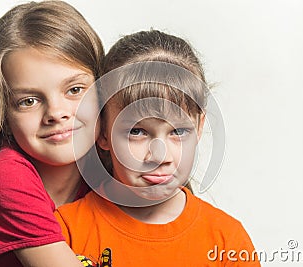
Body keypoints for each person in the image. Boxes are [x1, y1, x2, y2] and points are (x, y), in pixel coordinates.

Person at [55, 30, 260, 266]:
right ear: (102, 132)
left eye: (178, 131)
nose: (160, 156)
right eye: (137, 131)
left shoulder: (226, 240)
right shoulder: (65, 231)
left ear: (199, 127)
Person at [0, 1, 104, 266]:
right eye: (29, 101)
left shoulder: (113, 176)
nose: (56, 112)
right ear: (4, 114)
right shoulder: (2, 177)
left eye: (75, 90)